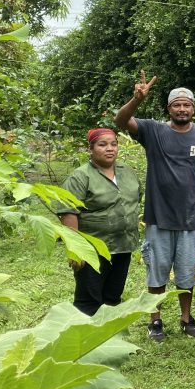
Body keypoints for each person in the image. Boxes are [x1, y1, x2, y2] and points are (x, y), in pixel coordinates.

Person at [114, 73, 195, 342]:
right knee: (156, 271)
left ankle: (185, 318)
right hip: (158, 216)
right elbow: (120, 121)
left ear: (193, 108)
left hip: (190, 217)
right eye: (176, 105)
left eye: (186, 105)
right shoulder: (154, 130)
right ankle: (154, 320)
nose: (182, 109)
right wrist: (135, 100)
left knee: (186, 272)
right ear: (168, 109)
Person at [58, 128, 141, 315]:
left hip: (122, 246)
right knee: (88, 300)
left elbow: (135, 199)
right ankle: (84, 340)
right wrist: (76, 249)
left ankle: (108, 340)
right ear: (91, 149)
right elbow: (68, 211)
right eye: (102, 145)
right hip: (93, 248)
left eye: (113, 144)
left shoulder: (127, 172)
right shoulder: (80, 177)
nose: (109, 149)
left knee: (112, 297)